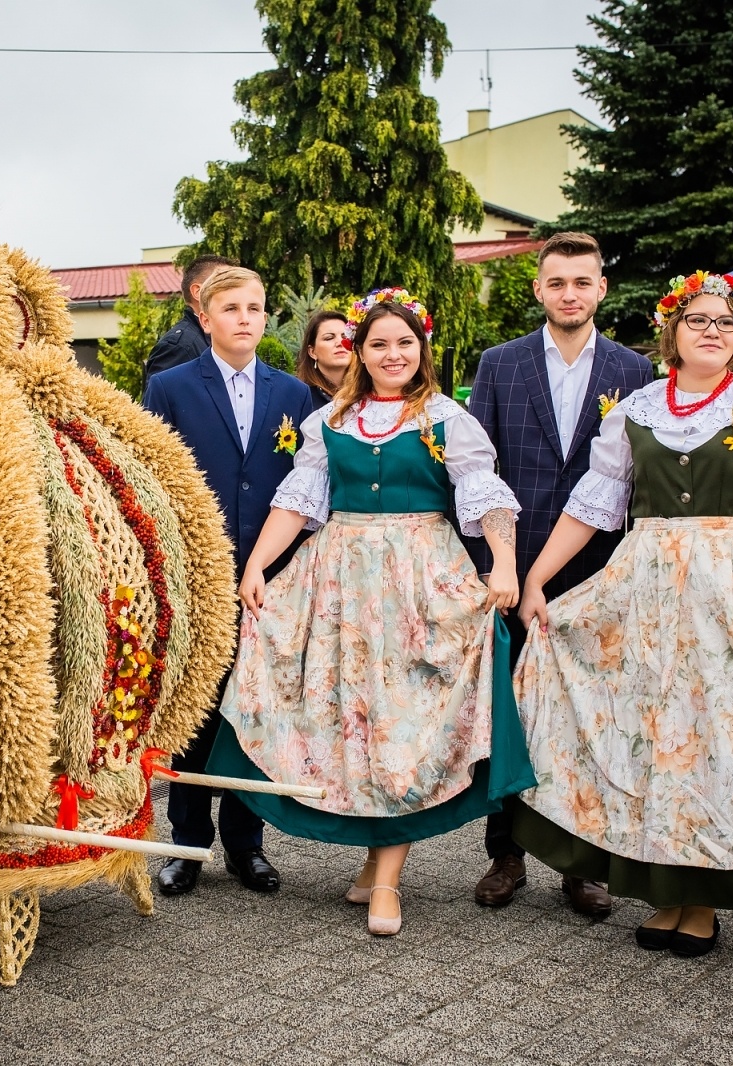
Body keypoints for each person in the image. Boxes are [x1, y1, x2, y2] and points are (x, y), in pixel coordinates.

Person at [512, 270, 733, 958]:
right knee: (658, 738)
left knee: (717, 739)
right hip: (647, 595)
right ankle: (671, 893)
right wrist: (538, 578)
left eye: (725, 322)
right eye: (698, 319)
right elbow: (596, 503)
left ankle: (704, 899)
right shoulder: (639, 408)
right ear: (671, 332)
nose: (714, 330)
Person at [207, 289, 532, 937]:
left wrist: (503, 560)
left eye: (404, 343)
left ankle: (386, 880)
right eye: (379, 343)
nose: (393, 354)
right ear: (359, 350)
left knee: (402, 729)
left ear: (422, 350)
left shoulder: (446, 418)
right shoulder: (332, 419)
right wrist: (257, 566)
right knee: (355, 724)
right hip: (342, 588)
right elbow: (299, 501)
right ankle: (370, 867)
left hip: (421, 587)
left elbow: (482, 491)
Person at [465, 231, 654, 916]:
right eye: (557, 282)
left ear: (602, 288)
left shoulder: (635, 372)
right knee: (509, 714)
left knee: (594, 717)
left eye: (583, 282)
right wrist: (493, 566)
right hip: (515, 567)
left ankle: (583, 864)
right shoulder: (500, 365)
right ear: (538, 289)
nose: (570, 293)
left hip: (600, 572)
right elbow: (479, 474)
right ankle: (505, 855)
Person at [143, 265, 313, 897]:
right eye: (233, 308)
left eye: (256, 308)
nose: (246, 318)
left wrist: (279, 561)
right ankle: (186, 843)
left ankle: (248, 844)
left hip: (267, 573)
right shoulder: (171, 387)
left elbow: (303, 483)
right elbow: (154, 476)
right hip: (200, 570)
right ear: (206, 317)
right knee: (195, 709)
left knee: (254, 705)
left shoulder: (292, 395)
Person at [141, 253, 234, 386]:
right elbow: (155, 405)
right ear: (198, 292)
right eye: (227, 284)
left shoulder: (211, 338)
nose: (236, 290)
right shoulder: (180, 347)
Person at [295, 308, 350, 403]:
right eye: (329, 338)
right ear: (312, 352)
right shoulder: (301, 396)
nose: (340, 343)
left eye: (345, 337)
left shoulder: (368, 391)